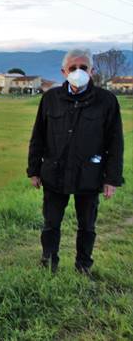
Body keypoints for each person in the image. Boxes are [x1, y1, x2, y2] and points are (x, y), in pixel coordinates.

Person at [27, 48, 123, 275]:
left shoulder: (106, 101)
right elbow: (38, 135)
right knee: (51, 223)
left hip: (89, 174)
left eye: (83, 68)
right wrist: (34, 170)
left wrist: (112, 179)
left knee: (87, 225)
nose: (78, 72)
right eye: (73, 68)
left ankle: (83, 265)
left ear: (92, 71)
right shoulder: (51, 99)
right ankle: (49, 261)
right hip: (54, 172)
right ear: (63, 71)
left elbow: (115, 143)